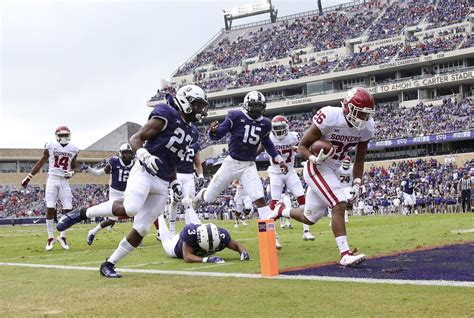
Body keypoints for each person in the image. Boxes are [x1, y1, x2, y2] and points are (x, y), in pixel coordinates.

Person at [57, 84, 208, 278]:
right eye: (197, 105)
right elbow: (136, 138)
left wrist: (174, 182)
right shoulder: (166, 113)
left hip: (163, 181)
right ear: (186, 101)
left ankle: (109, 264)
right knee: (131, 208)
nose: (200, 110)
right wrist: (145, 156)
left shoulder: (192, 132)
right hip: (145, 171)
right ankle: (83, 213)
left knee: (143, 228)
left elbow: (172, 161)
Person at [271, 87, 375, 266]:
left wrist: (357, 185)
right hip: (317, 166)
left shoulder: (367, 128)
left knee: (309, 217)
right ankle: (344, 254)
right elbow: (302, 146)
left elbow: (359, 160)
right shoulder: (329, 116)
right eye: (359, 113)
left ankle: (281, 210)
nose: (363, 119)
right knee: (339, 202)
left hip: (333, 170)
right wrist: (313, 157)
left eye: (366, 115)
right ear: (347, 108)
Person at [192, 90, 288, 249]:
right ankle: (200, 194)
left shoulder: (265, 123)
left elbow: (267, 144)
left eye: (259, 106)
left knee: (260, 200)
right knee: (209, 198)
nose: (256, 109)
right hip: (231, 163)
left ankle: (271, 236)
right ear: (246, 105)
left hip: (248, 166)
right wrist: (213, 131)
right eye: (254, 106)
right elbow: (217, 136)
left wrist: (279, 159)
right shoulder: (235, 115)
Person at [21, 126, 78, 251]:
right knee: (50, 208)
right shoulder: (51, 145)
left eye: (65, 135)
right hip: (52, 178)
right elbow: (41, 163)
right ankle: (50, 237)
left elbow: (74, 167)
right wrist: (28, 177)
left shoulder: (74, 149)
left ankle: (62, 237)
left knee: (68, 208)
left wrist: (72, 173)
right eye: (61, 135)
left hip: (64, 181)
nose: (64, 138)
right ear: (57, 135)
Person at [260, 115, 314, 241]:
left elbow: (304, 148)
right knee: (274, 202)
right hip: (275, 172)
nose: (279, 131)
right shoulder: (269, 137)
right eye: (276, 128)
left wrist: (299, 149)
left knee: (301, 197)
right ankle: (273, 236)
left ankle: (306, 231)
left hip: (290, 171)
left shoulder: (294, 136)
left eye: (281, 128)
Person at [83, 143, 135, 245]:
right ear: (121, 154)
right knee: (112, 219)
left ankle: (135, 236)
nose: (128, 156)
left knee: (136, 211)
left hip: (128, 192)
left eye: (130, 153)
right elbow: (99, 173)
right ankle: (93, 232)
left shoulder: (135, 163)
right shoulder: (114, 162)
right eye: (126, 153)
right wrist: (88, 169)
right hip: (115, 193)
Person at [158, 211, 250, 264]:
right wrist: (207, 259)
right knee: (165, 240)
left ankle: (188, 205)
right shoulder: (191, 236)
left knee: (198, 224)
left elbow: (237, 245)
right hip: (174, 246)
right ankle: (159, 214)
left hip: (197, 232)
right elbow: (187, 256)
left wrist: (243, 253)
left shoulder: (221, 235)